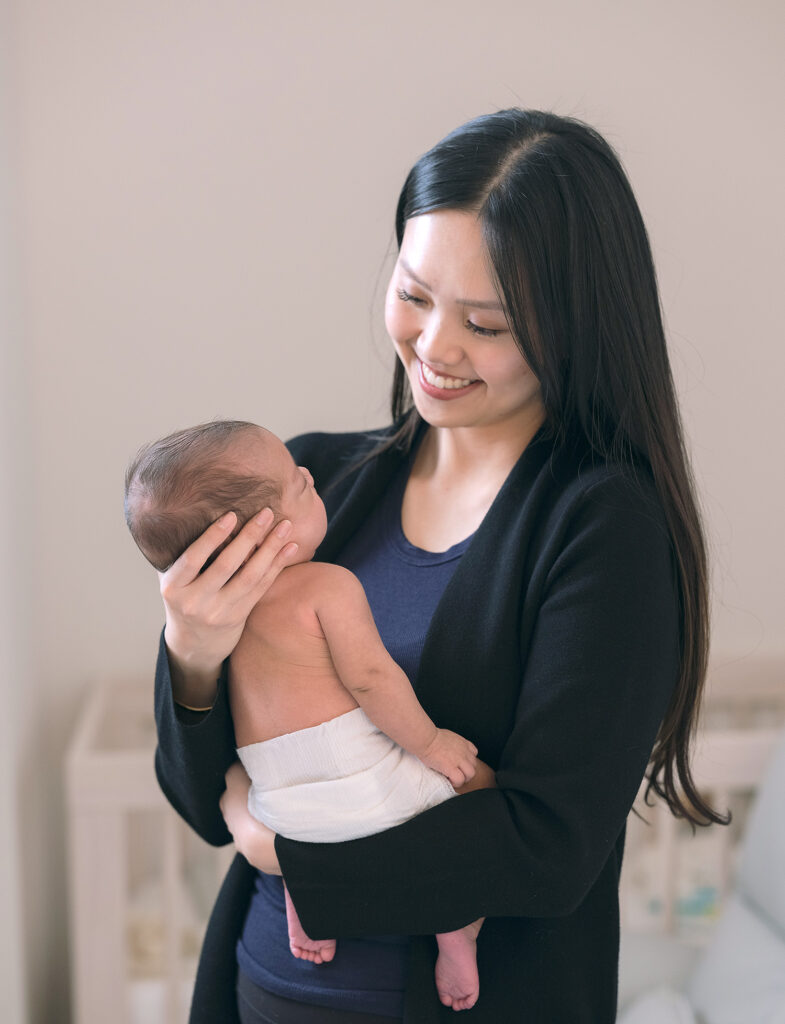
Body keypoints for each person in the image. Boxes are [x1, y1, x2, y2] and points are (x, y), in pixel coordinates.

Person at [150, 108, 727, 1023]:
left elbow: (547, 844)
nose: (435, 347)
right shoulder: (311, 486)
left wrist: (283, 851)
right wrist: (191, 652)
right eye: (414, 295)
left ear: (575, 327)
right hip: (261, 986)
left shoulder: (605, 527)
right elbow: (197, 791)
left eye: (487, 325)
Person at [125, 420, 491, 1011]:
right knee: (464, 794)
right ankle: (454, 930)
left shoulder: (228, 618)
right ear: (268, 534)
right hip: (357, 780)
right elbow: (373, 680)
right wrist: (430, 744)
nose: (310, 474)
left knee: (261, 799)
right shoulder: (328, 587)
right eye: (299, 485)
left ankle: (307, 907)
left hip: (280, 808)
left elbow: (221, 775)